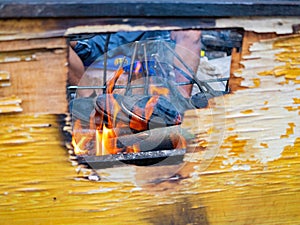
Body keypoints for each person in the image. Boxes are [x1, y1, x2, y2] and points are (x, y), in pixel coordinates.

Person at [68, 29, 201, 98]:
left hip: (150, 34)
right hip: (99, 39)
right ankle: (89, 98)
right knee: (52, 40)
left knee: (190, 32)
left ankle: (181, 102)